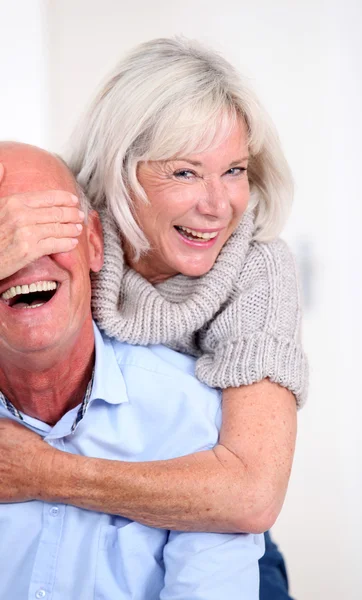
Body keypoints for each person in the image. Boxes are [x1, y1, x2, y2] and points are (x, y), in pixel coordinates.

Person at [0, 38, 306, 597]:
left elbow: (250, 494)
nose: (217, 206)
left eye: (234, 169)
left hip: (210, 511)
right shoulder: (65, 221)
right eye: (185, 173)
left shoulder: (255, 269)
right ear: (120, 173)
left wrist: (41, 473)